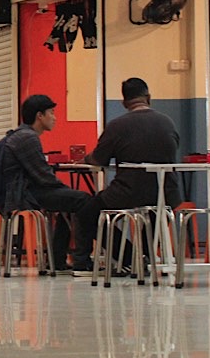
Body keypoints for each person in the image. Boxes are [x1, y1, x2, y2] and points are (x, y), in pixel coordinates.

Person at [72, 78, 181, 276]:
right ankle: (145, 257)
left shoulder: (117, 126)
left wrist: (84, 158)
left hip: (129, 192)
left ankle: (127, 258)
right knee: (152, 215)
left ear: (124, 102)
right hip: (166, 194)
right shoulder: (168, 122)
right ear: (148, 98)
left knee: (87, 212)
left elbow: (98, 158)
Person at [0, 94, 90, 271]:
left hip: (21, 190)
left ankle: (58, 259)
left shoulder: (19, 135)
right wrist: (64, 188)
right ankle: (82, 261)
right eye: (52, 113)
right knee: (83, 200)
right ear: (40, 116)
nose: (54, 118)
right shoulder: (28, 138)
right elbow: (43, 176)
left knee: (69, 202)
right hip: (24, 195)